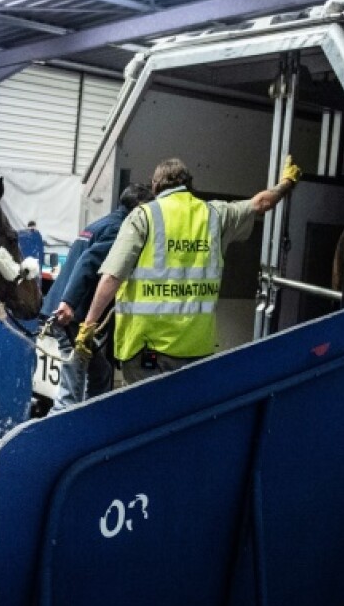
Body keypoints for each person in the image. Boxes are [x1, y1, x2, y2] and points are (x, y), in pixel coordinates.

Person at [75, 156, 302, 383]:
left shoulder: (143, 216)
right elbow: (262, 203)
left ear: (155, 185)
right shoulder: (215, 215)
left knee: (148, 411)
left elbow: (112, 276)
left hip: (148, 347)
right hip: (195, 349)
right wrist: (286, 183)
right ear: (189, 183)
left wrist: (88, 325)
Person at [40, 183, 154, 415]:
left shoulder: (100, 224)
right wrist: (70, 303)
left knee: (100, 374)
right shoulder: (119, 229)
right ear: (140, 208)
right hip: (73, 317)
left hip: (68, 313)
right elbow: (88, 262)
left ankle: (92, 423)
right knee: (69, 395)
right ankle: (59, 443)